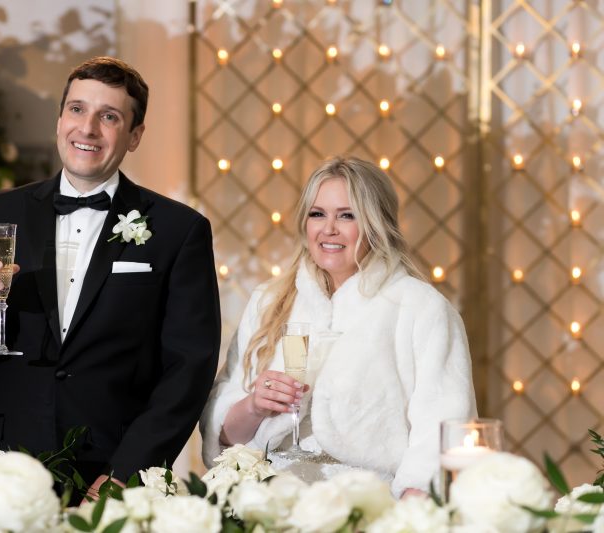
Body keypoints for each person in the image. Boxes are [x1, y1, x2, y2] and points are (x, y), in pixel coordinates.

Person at [0, 56, 221, 497]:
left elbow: (188, 370)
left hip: (116, 472)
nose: (88, 128)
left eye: (110, 116)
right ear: (60, 119)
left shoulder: (180, 231)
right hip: (10, 469)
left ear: (135, 136)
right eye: (77, 110)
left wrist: (130, 470)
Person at [200, 156, 476, 497]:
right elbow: (224, 441)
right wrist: (255, 406)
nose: (329, 229)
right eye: (318, 214)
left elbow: (443, 433)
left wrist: (405, 516)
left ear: (377, 224)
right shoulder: (269, 302)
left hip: (369, 504)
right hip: (269, 499)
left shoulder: (421, 309)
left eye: (347, 215)